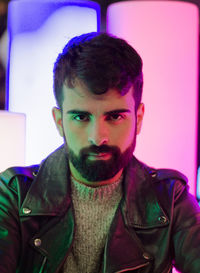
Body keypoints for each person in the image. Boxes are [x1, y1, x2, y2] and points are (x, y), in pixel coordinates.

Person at [0, 32, 200, 273]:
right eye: (81, 117)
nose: (99, 136)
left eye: (115, 116)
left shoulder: (169, 198)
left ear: (138, 118)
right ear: (59, 121)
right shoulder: (14, 194)